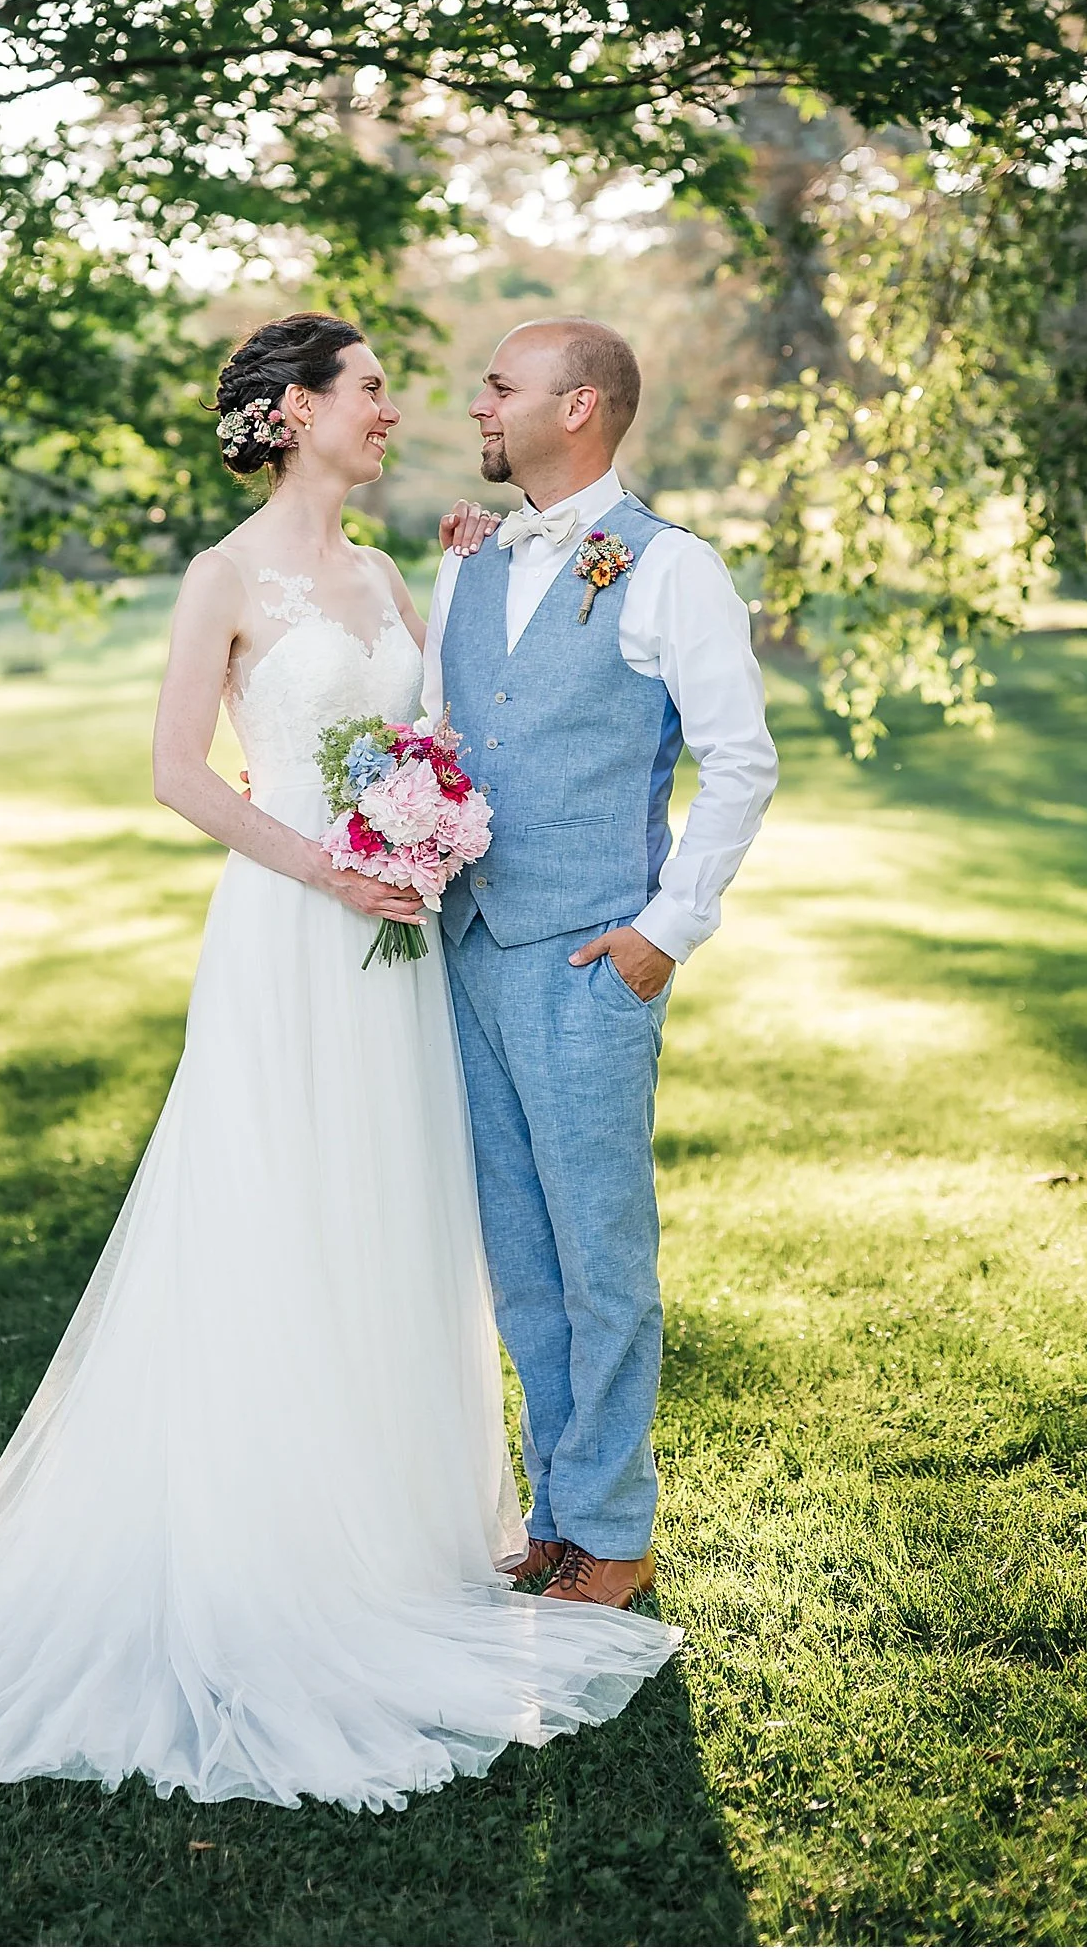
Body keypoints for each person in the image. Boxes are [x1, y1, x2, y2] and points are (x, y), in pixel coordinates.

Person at [0, 313, 678, 1809]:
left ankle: (395, 1530)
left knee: (387, 1219)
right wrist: (334, 864)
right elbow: (178, 771)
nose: (393, 410)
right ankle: (263, 1542)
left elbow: (451, 731)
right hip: (296, 933)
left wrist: (427, 798)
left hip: (394, 952)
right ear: (293, 410)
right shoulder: (222, 578)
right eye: (368, 391)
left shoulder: (394, 573)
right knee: (266, 1214)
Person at [428, 319, 778, 1610]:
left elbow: (739, 759)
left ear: (576, 406)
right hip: (467, 953)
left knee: (601, 1253)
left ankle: (616, 1528)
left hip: (588, 959)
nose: (479, 402)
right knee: (520, 1253)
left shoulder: (671, 568)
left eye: (499, 385)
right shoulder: (466, 559)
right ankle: (560, 1509)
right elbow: (444, 733)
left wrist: (662, 929)